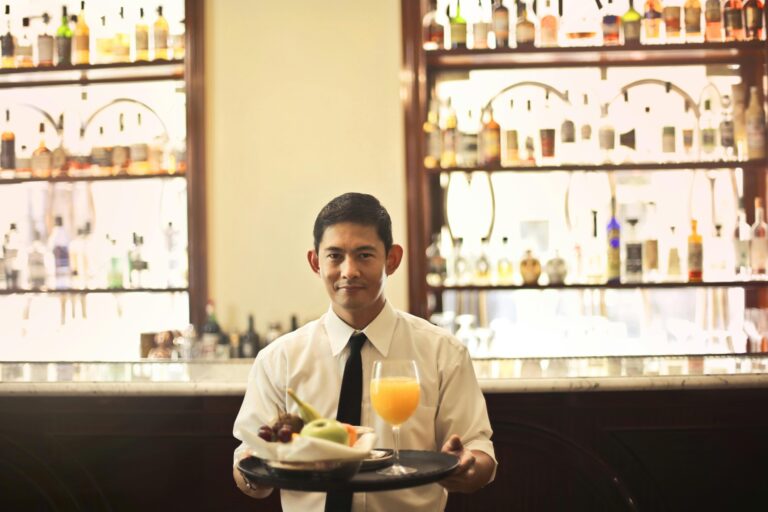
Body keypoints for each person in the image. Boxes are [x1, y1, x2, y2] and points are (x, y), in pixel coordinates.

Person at [232, 192, 496, 511]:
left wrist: (468, 467)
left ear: (392, 259)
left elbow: (479, 451)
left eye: (364, 255)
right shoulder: (279, 359)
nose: (349, 271)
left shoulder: (443, 352)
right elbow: (247, 464)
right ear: (316, 262)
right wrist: (254, 472)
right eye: (335, 256)